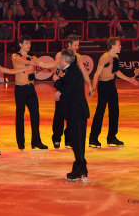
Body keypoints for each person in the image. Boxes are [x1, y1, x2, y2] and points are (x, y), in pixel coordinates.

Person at [89, 37, 139, 148]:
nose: (120, 46)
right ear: (112, 46)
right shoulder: (104, 57)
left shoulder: (115, 56)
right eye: (119, 45)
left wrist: (129, 79)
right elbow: (97, 74)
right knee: (100, 112)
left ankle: (111, 138)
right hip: (103, 86)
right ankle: (93, 139)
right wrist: (93, 88)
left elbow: (116, 72)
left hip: (112, 85)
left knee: (114, 111)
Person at [12, 35, 57, 150]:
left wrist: (58, 62)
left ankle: (36, 141)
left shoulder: (32, 57)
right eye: (26, 43)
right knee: (20, 116)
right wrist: (33, 62)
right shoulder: (15, 56)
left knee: (35, 115)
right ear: (20, 44)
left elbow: (44, 65)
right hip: (20, 89)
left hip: (31, 89)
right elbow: (23, 61)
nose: (29, 45)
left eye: (30, 43)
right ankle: (21, 143)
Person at [52, 35, 93, 149]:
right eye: (75, 45)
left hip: (71, 89)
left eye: (78, 45)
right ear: (69, 44)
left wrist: (89, 85)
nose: (77, 47)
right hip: (62, 85)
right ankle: (56, 138)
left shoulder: (78, 57)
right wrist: (59, 87)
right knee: (59, 114)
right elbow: (56, 69)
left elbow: (84, 72)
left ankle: (68, 139)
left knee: (71, 114)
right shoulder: (60, 55)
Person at [53, 49, 89, 180]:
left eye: (59, 59)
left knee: (78, 141)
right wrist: (60, 82)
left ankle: (79, 168)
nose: (58, 61)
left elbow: (67, 90)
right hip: (75, 112)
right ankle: (81, 167)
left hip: (78, 113)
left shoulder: (73, 73)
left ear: (64, 60)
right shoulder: (71, 71)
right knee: (76, 141)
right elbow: (67, 85)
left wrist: (57, 81)